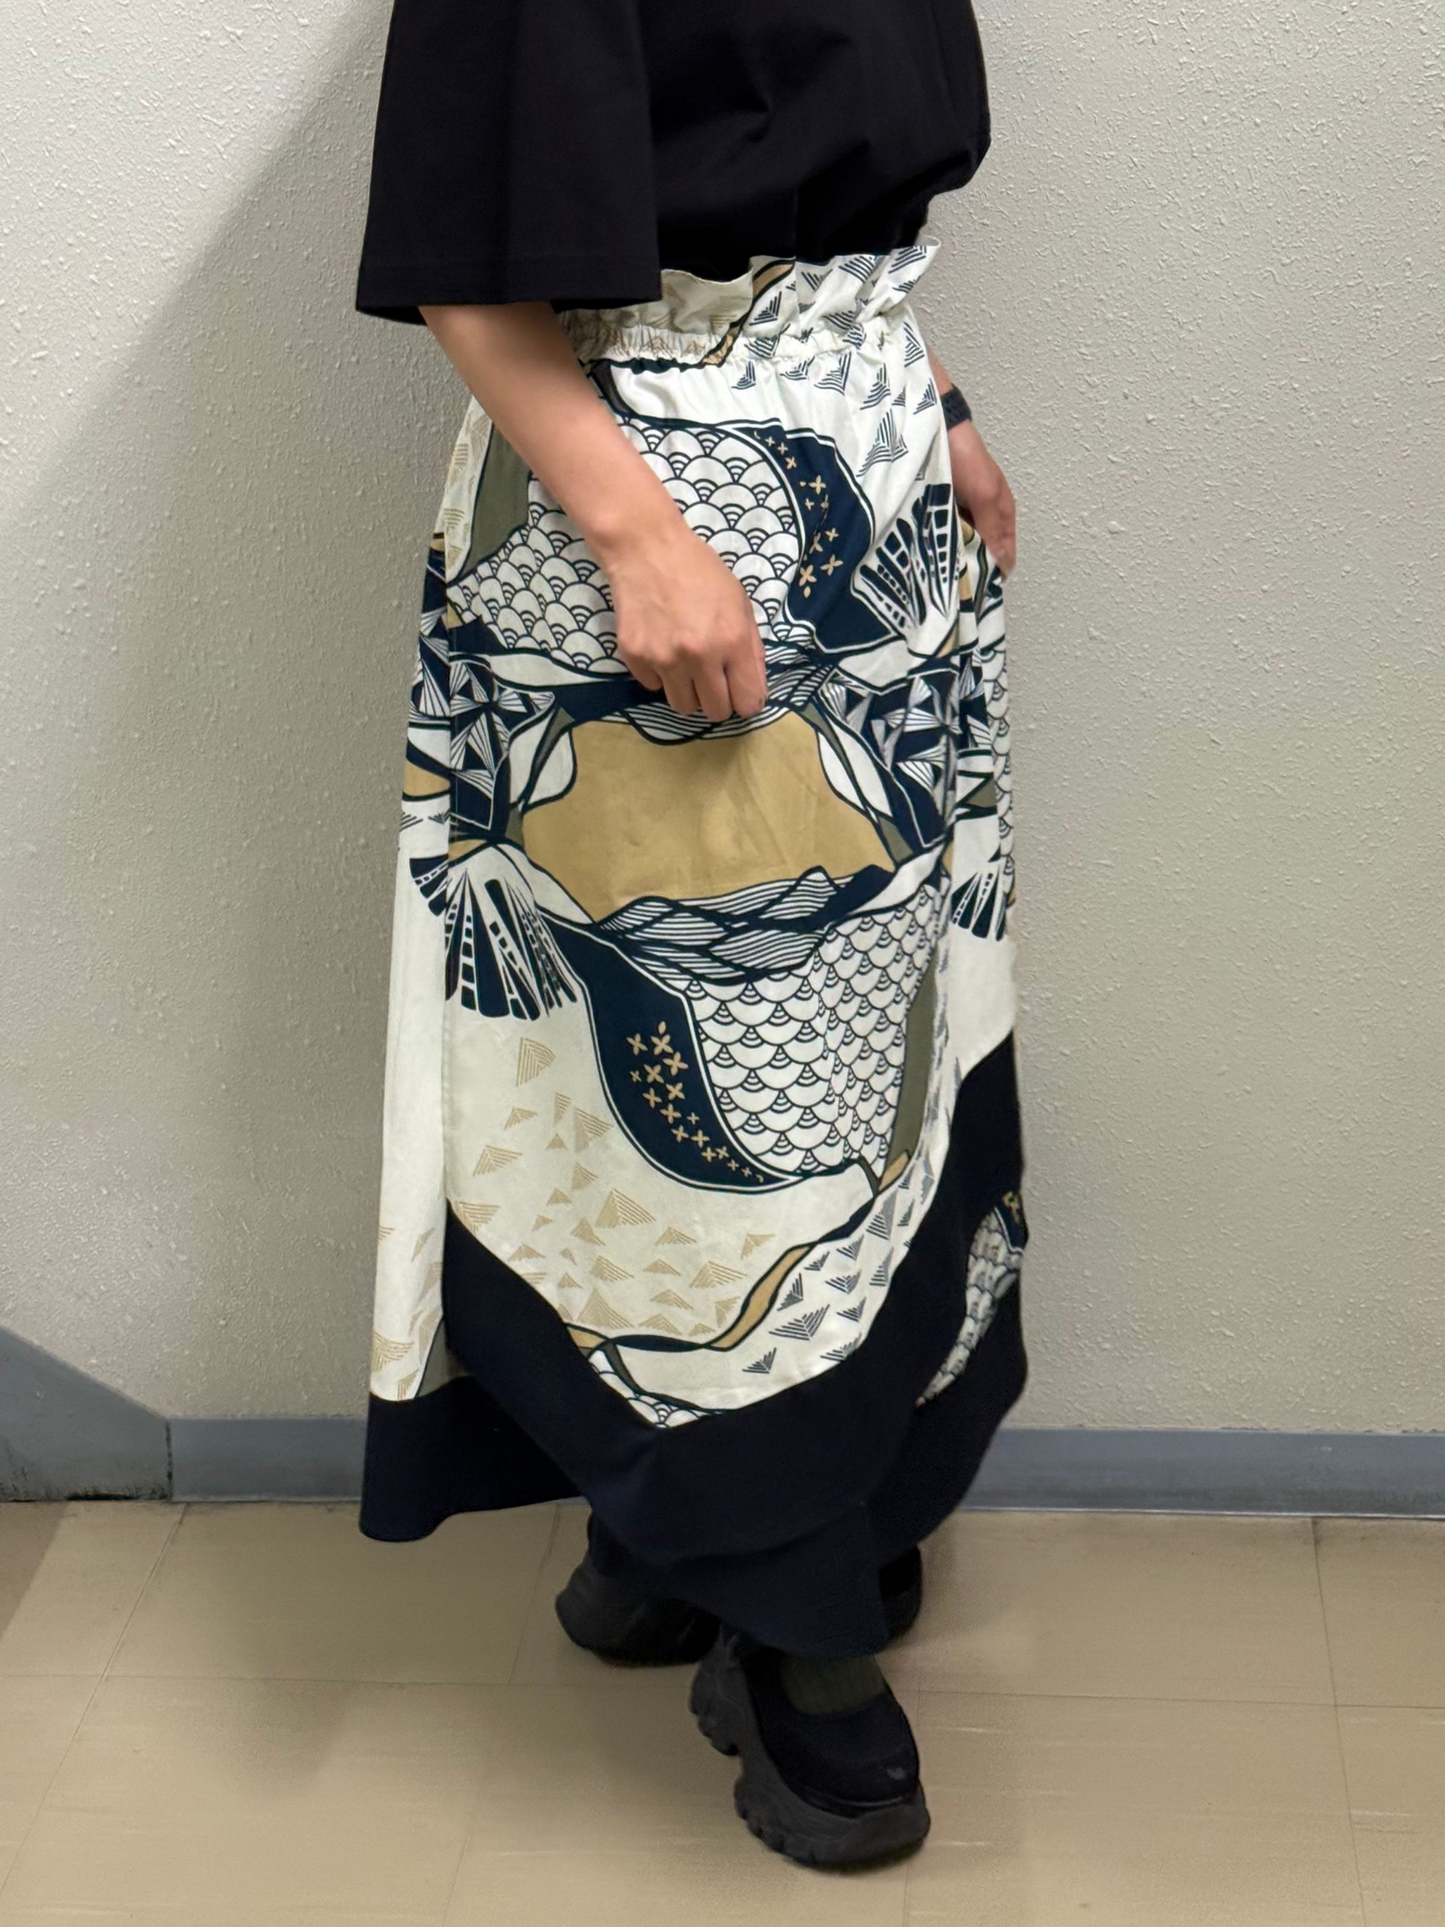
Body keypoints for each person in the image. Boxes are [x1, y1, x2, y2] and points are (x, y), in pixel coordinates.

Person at [354, 0, 1028, 1870]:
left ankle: (686, 1535)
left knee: (873, 1087)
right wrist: (641, 537)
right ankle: (792, 1617)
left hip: (865, 506)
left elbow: (805, 206)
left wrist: (938, 401)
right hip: (654, 534)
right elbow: (473, 257)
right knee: (713, 1117)